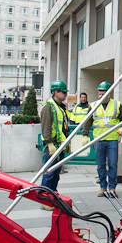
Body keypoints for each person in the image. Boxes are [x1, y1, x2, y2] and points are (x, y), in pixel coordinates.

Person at [82, 81, 122, 197]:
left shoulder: (117, 105)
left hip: (112, 140)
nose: (101, 96)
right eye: (99, 94)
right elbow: (88, 121)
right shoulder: (93, 105)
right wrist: (85, 135)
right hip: (99, 140)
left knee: (112, 164)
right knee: (101, 165)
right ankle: (103, 187)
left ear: (109, 95)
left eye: (103, 94)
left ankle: (112, 188)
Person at [39, 80, 71, 210]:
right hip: (52, 145)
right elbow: (46, 127)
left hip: (59, 144)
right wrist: (49, 143)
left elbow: (63, 127)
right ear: (56, 92)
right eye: (63, 92)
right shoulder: (49, 106)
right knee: (49, 173)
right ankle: (44, 200)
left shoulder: (60, 107)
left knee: (56, 173)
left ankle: (52, 196)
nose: (65, 95)